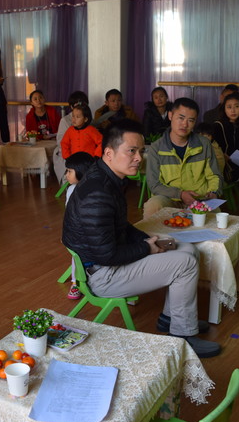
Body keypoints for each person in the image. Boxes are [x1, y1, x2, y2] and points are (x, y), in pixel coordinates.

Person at [62, 119, 221, 358]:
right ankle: (183, 336)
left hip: (107, 262)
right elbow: (107, 255)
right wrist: (146, 248)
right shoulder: (98, 192)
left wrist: (148, 238)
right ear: (109, 153)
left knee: (187, 249)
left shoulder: (107, 177)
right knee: (185, 264)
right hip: (102, 275)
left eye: (141, 151)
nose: (139, 158)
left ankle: (170, 318)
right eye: (131, 151)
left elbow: (119, 226)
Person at [144, 98, 222, 219]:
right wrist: (180, 194)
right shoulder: (156, 148)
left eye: (191, 120)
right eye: (181, 118)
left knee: (215, 214)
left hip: (198, 199)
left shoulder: (204, 144)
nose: (185, 124)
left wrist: (213, 192)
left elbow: (214, 175)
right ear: (170, 115)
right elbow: (154, 184)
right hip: (169, 199)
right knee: (153, 205)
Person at [63, 151, 95, 301]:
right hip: (77, 232)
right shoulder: (71, 189)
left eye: (69, 171)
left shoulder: (93, 190)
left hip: (91, 232)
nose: (66, 175)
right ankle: (75, 282)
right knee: (76, 256)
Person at [53, 91, 89, 183]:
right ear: (72, 107)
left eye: (84, 104)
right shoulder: (65, 121)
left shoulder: (87, 119)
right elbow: (61, 142)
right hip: (69, 152)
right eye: (78, 104)